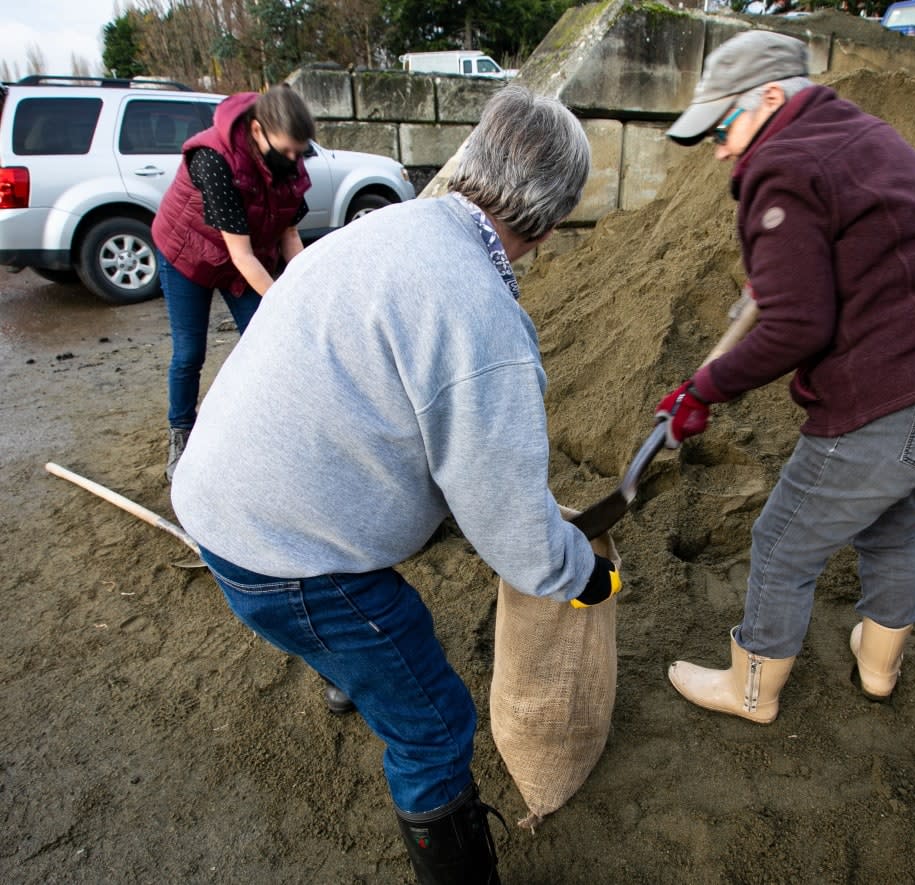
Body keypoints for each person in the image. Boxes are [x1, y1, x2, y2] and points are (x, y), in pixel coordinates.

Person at [170, 85, 619, 884]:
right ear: (548, 227)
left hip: (214, 492)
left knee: (355, 641)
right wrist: (582, 575)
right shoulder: (480, 317)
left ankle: (346, 672)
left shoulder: (389, 225)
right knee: (433, 722)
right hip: (282, 550)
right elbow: (510, 522)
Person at [655, 30, 915, 723]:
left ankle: (750, 690)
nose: (721, 150)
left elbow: (797, 327)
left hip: (896, 394)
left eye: (723, 128)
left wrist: (705, 388)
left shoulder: (780, 168)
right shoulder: (862, 135)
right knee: (896, 527)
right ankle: (879, 668)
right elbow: (863, 248)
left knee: (783, 542)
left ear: (774, 97)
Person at [152, 84, 314, 484]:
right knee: (190, 352)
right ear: (258, 131)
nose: (295, 159)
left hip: (240, 259)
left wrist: (309, 287)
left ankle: (266, 429)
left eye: (300, 151)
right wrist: (283, 300)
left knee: (264, 340)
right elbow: (242, 256)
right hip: (188, 255)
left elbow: (289, 236)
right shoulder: (214, 160)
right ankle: (181, 434)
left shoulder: (287, 162)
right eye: (288, 150)